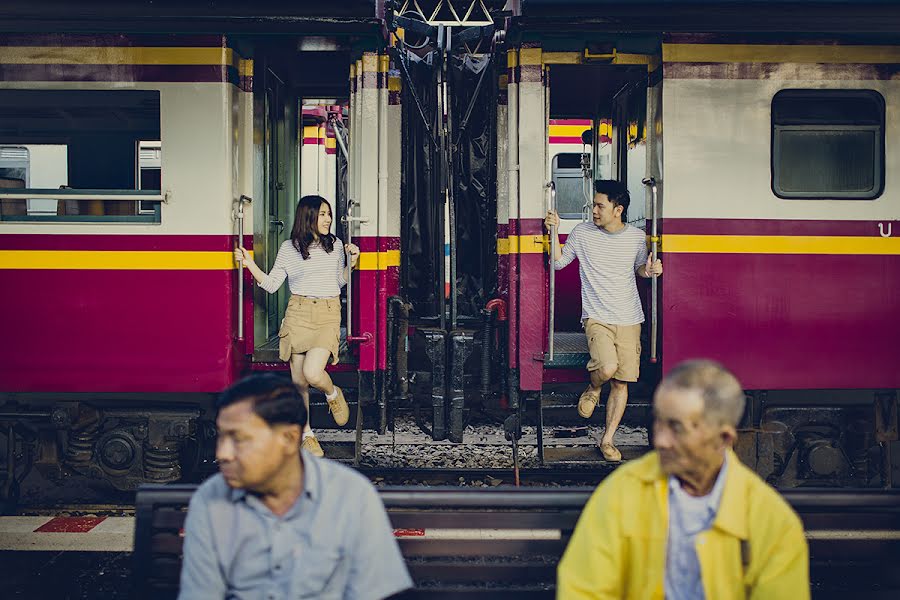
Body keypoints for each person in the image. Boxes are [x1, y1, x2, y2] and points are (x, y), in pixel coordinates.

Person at [557, 360, 810, 600]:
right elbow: (583, 589)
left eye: (677, 428)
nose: (661, 441)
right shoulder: (622, 491)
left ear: (722, 439)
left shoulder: (770, 520)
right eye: (658, 423)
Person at [179, 373, 413, 600]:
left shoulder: (351, 495)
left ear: (290, 439)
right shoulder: (211, 500)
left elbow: (375, 591)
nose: (223, 453)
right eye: (221, 437)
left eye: (239, 439)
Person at [545, 179, 662, 462]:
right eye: (593, 205)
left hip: (630, 317)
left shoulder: (636, 237)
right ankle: (594, 387)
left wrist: (650, 270)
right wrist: (554, 232)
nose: (594, 211)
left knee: (622, 383)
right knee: (608, 368)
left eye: (600, 206)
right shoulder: (583, 233)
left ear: (618, 209)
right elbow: (559, 263)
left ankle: (607, 440)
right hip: (597, 317)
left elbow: (638, 269)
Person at [235, 195, 359, 457]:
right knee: (299, 382)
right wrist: (249, 263)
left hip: (327, 313)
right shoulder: (288, 248)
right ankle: (307, 435)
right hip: (298, 313)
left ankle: (332, 392)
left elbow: (339, 281)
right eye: (323, 214)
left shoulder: (335, 245)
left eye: (329, 214)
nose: (328, 219)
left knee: (314, 374)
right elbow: (271, 285)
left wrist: (353, 264)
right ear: (308, 216)